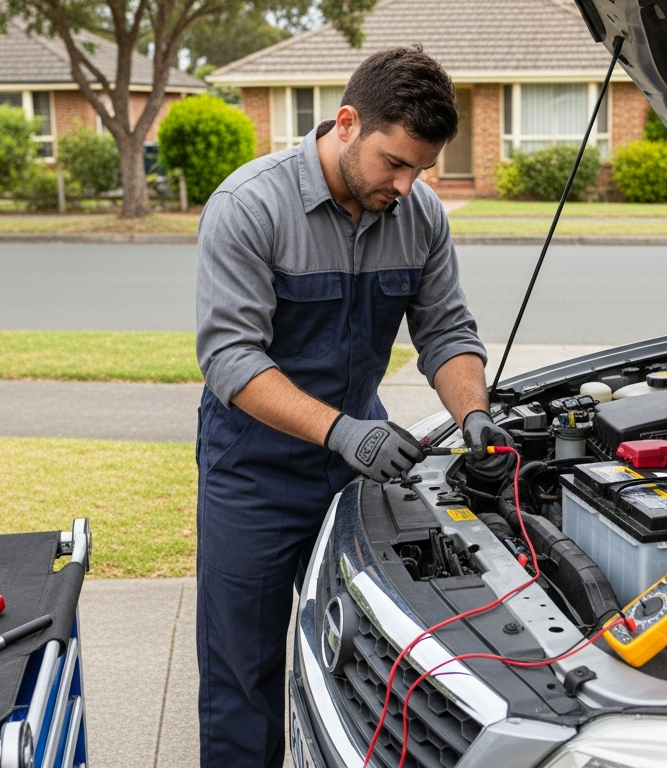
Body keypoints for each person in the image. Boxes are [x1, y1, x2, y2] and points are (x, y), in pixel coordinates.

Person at [193, 45, 514, 768]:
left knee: (361, 654)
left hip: (354, 468)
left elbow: (446, 331)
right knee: (242, 672)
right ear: (345, 123)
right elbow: (230, 359)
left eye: (421, 169)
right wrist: (343, 432)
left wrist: (473, 416)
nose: (406, 185)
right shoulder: (250, 207)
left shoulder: (420, 215)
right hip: (254, 472)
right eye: (394, 163)